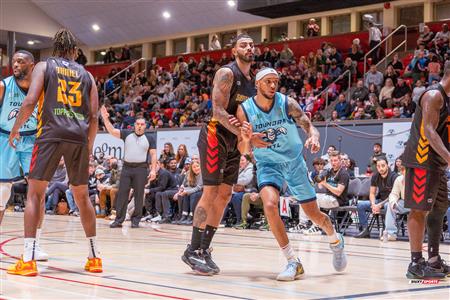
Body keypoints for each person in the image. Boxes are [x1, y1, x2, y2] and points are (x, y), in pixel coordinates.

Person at [238, 68, 347, 281]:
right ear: (258, 84)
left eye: (275, 81)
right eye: (268, 81)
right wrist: (249, 140)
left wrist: (313, 138)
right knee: (269, 204)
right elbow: (243, 149)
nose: (272, 85)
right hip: (268, 164)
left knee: (315, 215)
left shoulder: (287, 103)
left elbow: (310, 128)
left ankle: (335, 240)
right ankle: (292, 261)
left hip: (294, 163)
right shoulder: (246, 110)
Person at [7, 28, 101, 276]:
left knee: (35, 195)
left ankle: (28, 259)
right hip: (78, 138)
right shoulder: (87, 75)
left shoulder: (44, 67)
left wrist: (16, 129)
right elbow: (94, 117)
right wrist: (88, 146)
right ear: (74, 51)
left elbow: (29, 101)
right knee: (82, 197)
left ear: (55, 48)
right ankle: (94, 257)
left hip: (49, 134)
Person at [181, 34, 261, 276]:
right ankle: (192, 250)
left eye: (251, 45)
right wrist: (244, 133)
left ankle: (204, 249)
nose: (249, 47)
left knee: (226, 194)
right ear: (234, 50)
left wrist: (249, 136)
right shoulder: (227, 73)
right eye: (244, 45)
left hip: (235, 140)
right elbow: (217, 110)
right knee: (211, 191)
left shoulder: (253, 81)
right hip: (215, 135)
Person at [401, 61, 450, 279]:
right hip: (422, 160)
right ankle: (415, 263)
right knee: (418, 210)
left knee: (439, 209)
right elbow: (429, 132)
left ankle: (433, 259)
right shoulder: (433, 96)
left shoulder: (447, 100)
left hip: (437, 163)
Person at [0, 50, 48, 261]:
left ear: (32, 64)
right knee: (2, 192)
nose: (15, 64)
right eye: (14, 61)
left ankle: (35, 245)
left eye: (20, 61)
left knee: (38, 192)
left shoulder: (42, 88)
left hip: (32, 140)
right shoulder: (4, 86)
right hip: (5, 138)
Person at [101, 106, 157, 228]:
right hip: (127, 168)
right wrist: (105, 119)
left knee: (138, 195)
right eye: (138, 124)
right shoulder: (127, 134)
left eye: (142, 124)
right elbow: (112, 131)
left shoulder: (150, 138)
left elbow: (153, 155)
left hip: (141, 169)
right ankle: (118, 220)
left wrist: (153, 170)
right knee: (122, 194)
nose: (140, 126)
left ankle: (135, 220)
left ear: (145, 126)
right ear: (134, 125)